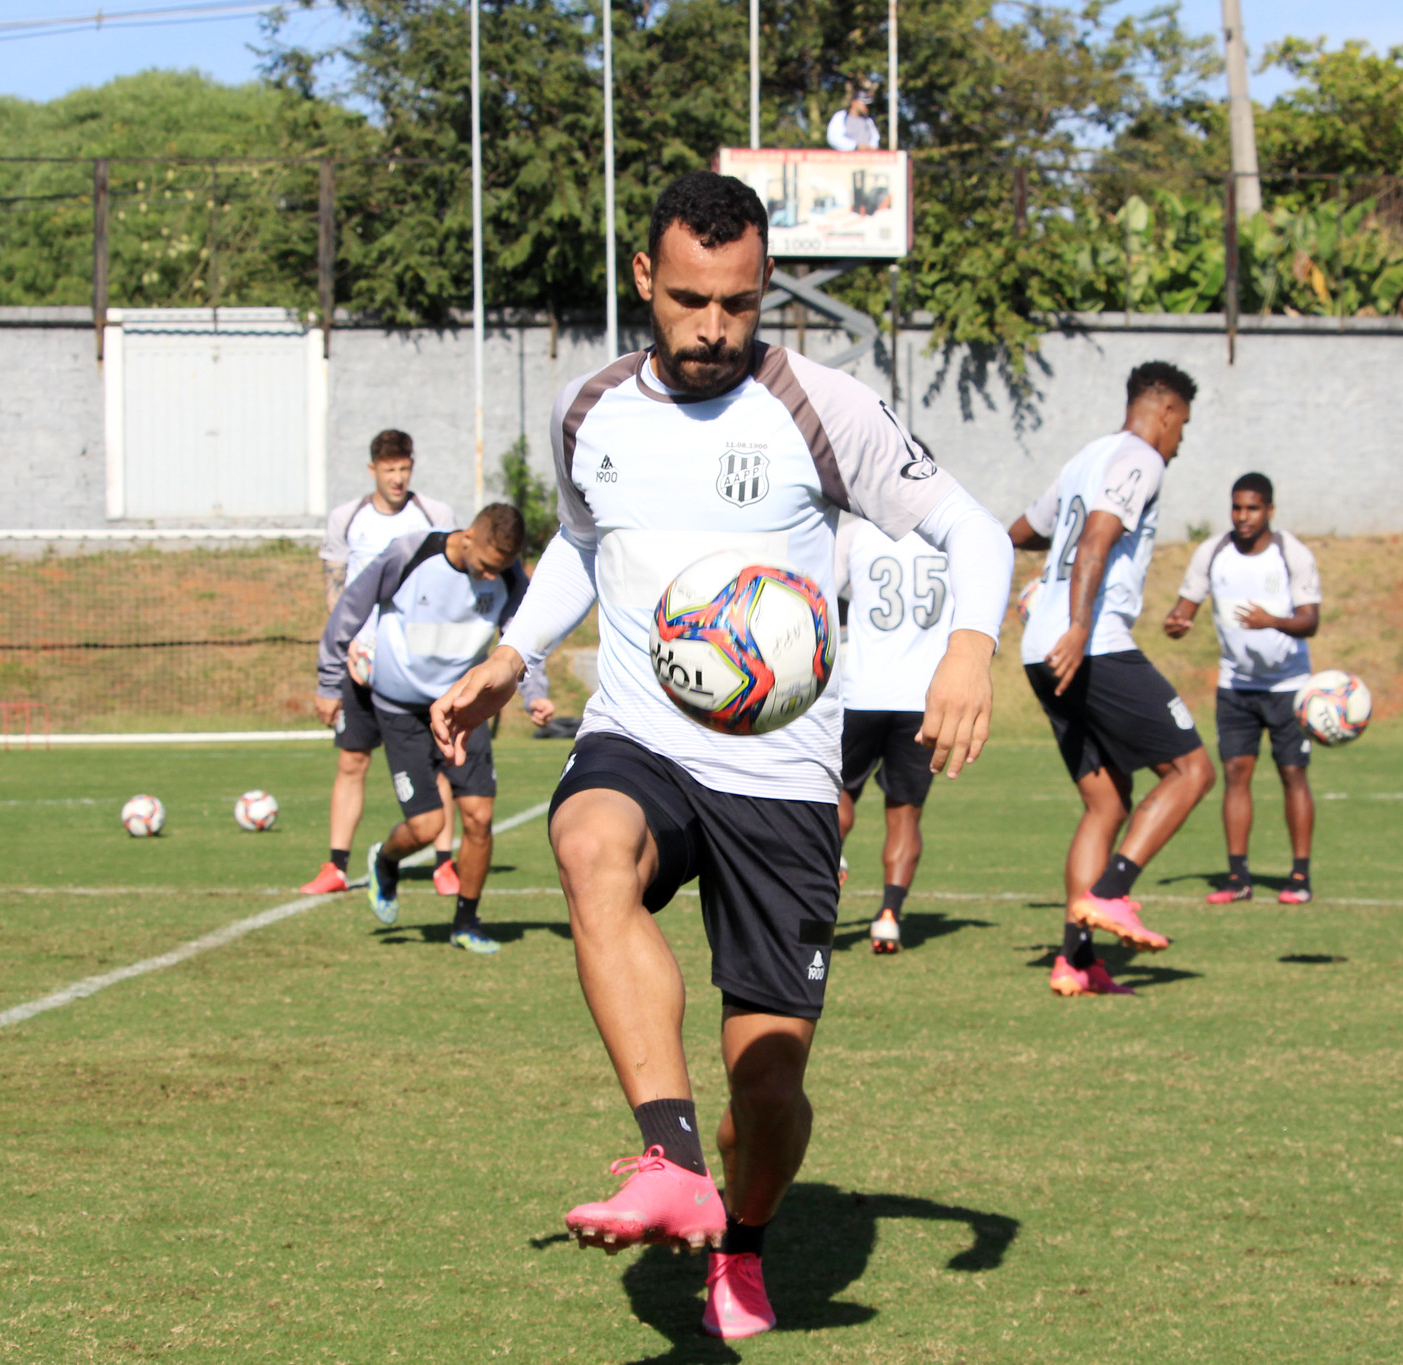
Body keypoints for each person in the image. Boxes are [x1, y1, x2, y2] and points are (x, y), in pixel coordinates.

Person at [430, 171, 1009, 1340]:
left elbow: (972, 531)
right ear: (644, 279)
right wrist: (510, 653)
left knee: (770, 1083)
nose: (712, 329)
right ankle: (667, 1162)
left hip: (784, 776)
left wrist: (967, 652)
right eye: (691, 300)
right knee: (587, 841)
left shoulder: (820, 406)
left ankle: (739, 1239)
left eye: (739, 305)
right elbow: (584, 548)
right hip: (640, 732)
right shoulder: (591, 408)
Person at [1007, 362, 1216, 998]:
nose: (1179, 441)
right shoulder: (1140, 457)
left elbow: (1022, 532)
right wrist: (1075, 623)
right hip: (1089, 645)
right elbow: (1096, 540)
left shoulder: (1086, 458)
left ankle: (1075, 961)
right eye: (1182, 426)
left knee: (1106, 803)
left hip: (1040, 650)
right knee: (1191, 771)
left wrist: (1031, 596)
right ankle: (1113, 893)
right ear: (1168, 412)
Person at [306, 504, 540, 955]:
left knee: (480, 817)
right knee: (428, 824)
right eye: (488, 566)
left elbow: (522, 637)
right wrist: (328, 680)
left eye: (503, 569)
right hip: (401, 710)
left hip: (462, 708)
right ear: (468, 536)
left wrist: (535, 694)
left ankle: (466, 922)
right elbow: (350, 610)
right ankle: (386, 861)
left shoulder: (510, 577)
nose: (493, 578)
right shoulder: (410, 553)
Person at [311, 431, 470, 899]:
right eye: (389, 470)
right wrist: (348, 649)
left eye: (404, 469)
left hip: (418, 666)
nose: (398, 478)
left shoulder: (435, 516)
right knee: (352, 759)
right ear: (373, 470)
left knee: (436, 763)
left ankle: (444, 864)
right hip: (361, 662)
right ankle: (336, 865)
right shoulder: (348, 518)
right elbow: (336, 589)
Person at [1163, 473, 1323, 905]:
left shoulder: (1292, 554)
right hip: (1236, 685)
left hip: (1289, 685)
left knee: (1293, 775)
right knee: (1236, 775)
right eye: (1237, 508)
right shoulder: (1212, 552)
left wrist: (1271, 620)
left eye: (1252, 508)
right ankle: (1238, 878)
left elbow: (1310, 620)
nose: (1243, 516)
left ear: (1270, 509)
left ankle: (1299, 876)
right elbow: (1185, 608)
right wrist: (1178, 622)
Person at [831, 512, 955, 954]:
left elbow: (822, 594)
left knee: (837, 793)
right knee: (905, 813)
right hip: (924, 699)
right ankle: (888, 918)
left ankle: (830, 857)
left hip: (861, 691)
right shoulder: (952, 536)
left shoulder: (859, 531)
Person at [824, 84, 881, 152]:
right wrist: (855, 146)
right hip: (846, 159)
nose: (866, 106)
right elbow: (833, 137)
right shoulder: (841, 116)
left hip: (867, 158)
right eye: (863, 103)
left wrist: (871, 147)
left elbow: (875, 138)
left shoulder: (868, 120)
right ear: (854, 103)